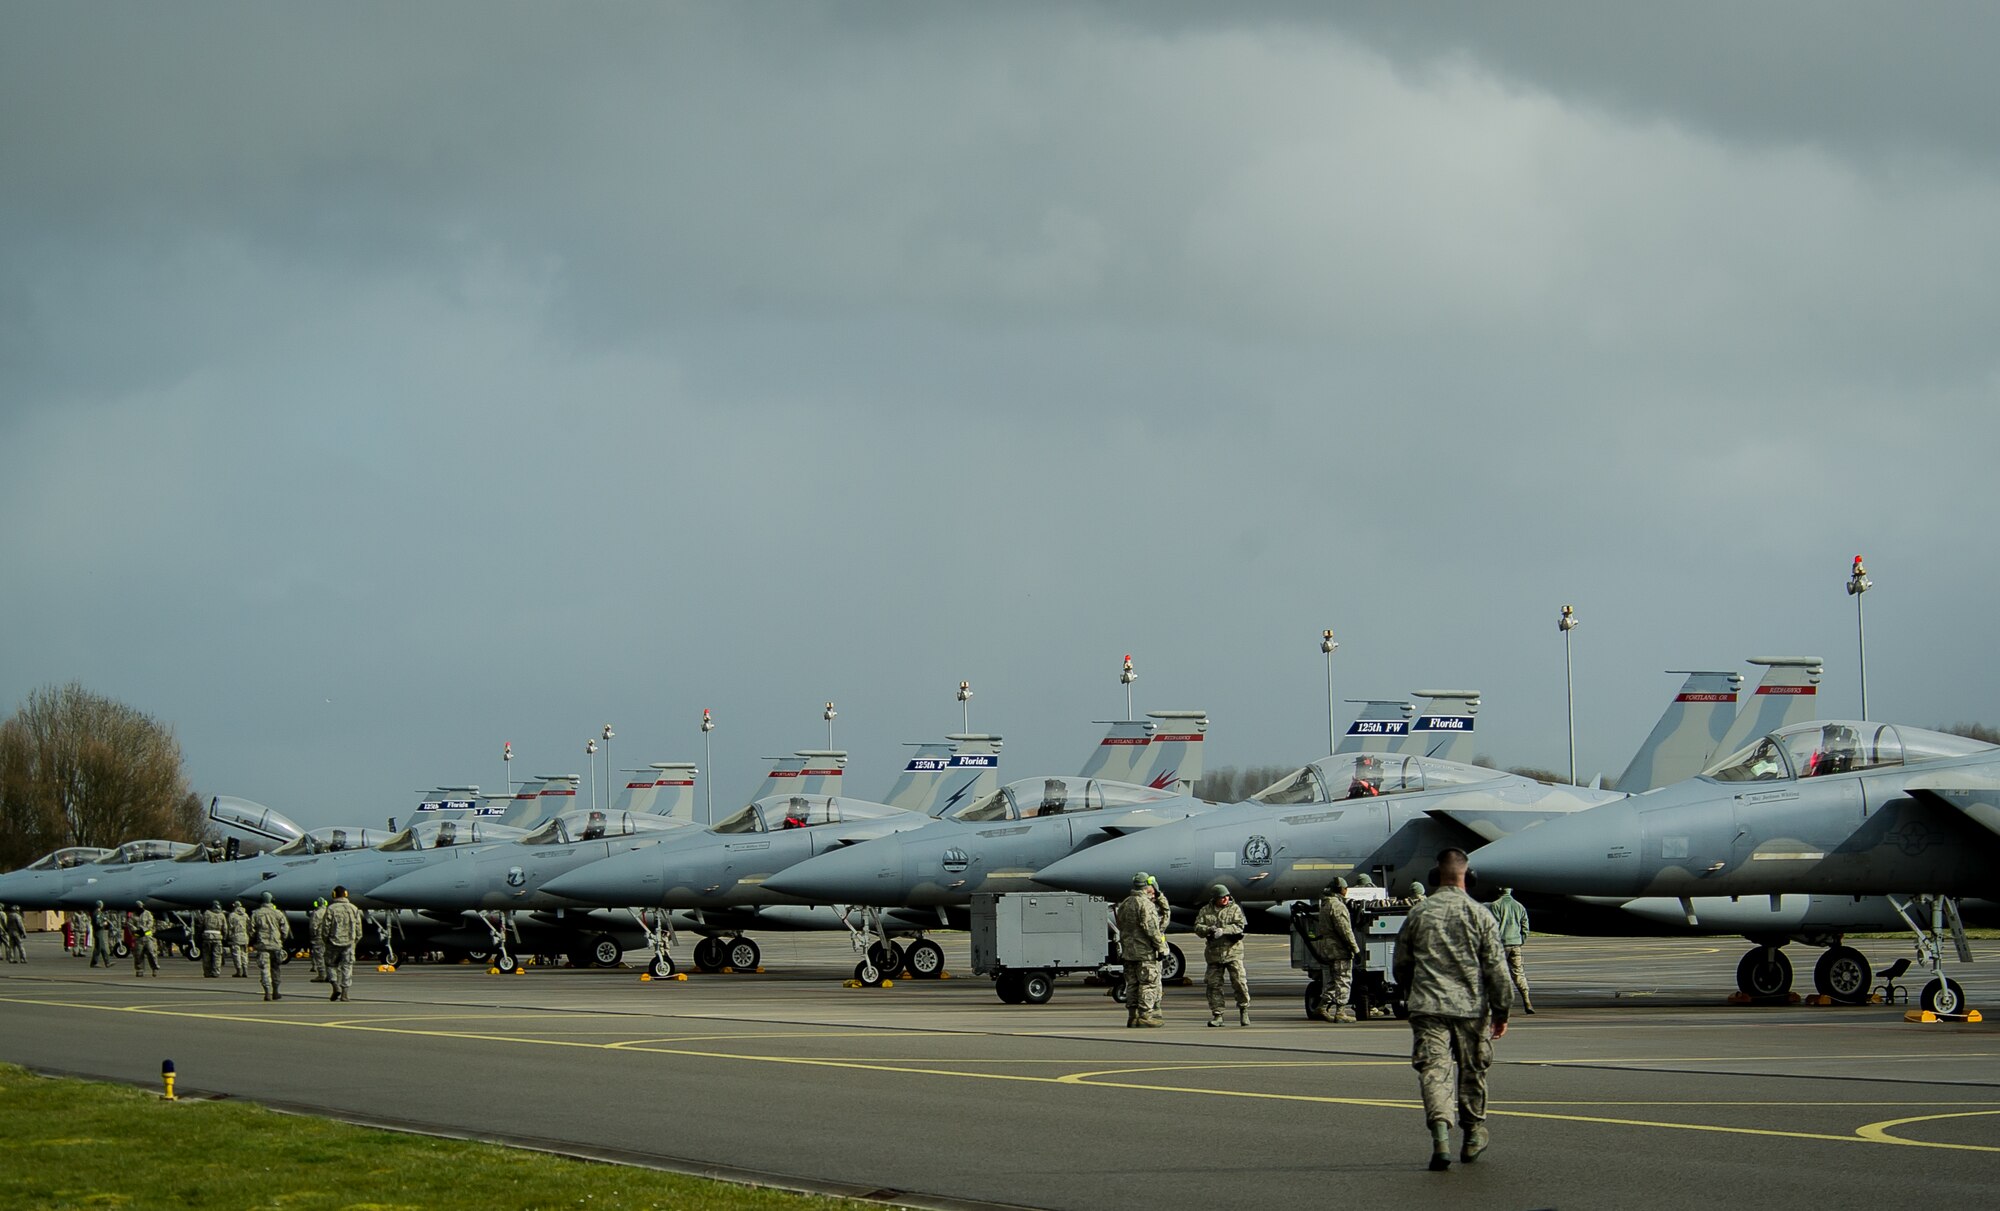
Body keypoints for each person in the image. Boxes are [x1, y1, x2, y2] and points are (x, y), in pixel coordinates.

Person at [1393, 848, 1512, 1171]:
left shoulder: (1419, 913)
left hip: (1428, 1007)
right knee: (1473, 1071)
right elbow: (1497, 970)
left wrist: (1410, 993)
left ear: (1436, 877)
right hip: (1471, 1009)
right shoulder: (1480, 915)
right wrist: (1501, 1013)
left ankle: (1441, 1138)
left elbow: (1401, 964)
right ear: (1467, 877)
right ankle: (1473, 1134)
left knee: (1434, 1072)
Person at [1114, 871, 1168, 1027]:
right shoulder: (1145, 904)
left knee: (1132, 984)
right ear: (1148, 886)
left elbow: (1121, 926)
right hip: (1145, 953)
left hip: (1129, 952)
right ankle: (1145, 1016)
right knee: (1147, 984)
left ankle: (1133, 1016)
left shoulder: (1125, 903)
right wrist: (1161, 947)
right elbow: (1152, 929)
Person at [1193, 884, 1250, 1026]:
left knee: (1239, 983)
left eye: (1226, 896)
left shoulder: (1234, 909)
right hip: (1214, 954)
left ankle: (1244, 1010)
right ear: (1215, 898)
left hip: (1232, 953)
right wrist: (1208, 929)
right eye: (1221, 897)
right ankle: (1217, 1014)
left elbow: (1239, 926)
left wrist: (1223, 930)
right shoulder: (1206, 911)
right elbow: (1197, 928)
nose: (1225, 899)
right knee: (1213, 985)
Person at [1313, 877, 1361, 1022]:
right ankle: (1341, 1012)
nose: (1347, 891)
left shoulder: (1325, 905)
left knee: (1333, 980)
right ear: (1340, 889)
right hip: (1339, 949)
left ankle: (1321, 1007)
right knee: (1344, 979)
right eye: (1345, 888)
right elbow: (1345, 930)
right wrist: (1355, 949)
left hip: (1327, 948)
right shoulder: (1338, 907)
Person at [1490, 887, 1534, 1014]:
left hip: (1501, 946)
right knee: (1518, 973)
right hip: (1515, 944)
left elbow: (1493, 926)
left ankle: (1500, 1005)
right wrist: (1521, 941)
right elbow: (1525, 927)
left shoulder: (1495, 906)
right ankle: (1526, 1000)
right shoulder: (1519, 906)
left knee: (1497, 975)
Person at [317, 885, 365, 1002]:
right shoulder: (354, 908)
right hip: (349, 943)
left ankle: (335, 985)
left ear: (334, 895)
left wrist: (326, 940)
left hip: (333, 942)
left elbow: (325, 928)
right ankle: (345, 993)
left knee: (330, 965)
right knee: (347, 967)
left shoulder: (331, 909)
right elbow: (359, 929)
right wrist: (355, 941)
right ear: (346, 894)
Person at [249, 892, 291, 1001]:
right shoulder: (278, 913)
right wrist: (281, 939)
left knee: (265, 969)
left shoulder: (256, 914)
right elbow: (285, 929)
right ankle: (276, 991)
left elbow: (251, 930)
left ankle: (267, 992)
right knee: (276, 968)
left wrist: (254, 940)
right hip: (276, 945)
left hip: (263, 945)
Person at [130, 902, 160, 976]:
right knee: (138, 954)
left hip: (148, 937)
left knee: (151, 952)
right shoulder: (133, 915)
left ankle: (154, 968)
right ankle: (139, 969)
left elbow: (150, 923)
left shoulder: (147, 913)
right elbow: (130, 924)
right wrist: (135, 930)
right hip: (138, 938)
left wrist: (143, 929)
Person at [199, 900, 226, 977]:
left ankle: (207, 972)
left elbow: (201, 925)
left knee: (206, 956)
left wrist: (200, 935)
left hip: (207, 937)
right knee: (217, 956)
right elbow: (225, 928)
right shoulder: (221, 915)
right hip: (218, 938)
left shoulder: (206, 913)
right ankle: (216, 972)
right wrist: (224, 937)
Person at [226, 900, 251, 977]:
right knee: (244, 954)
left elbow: (229, 927)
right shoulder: (246, 915)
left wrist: (229, 936)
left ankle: (239, 971)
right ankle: (245, 970)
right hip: (245, 936)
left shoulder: (232, 915)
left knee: (236, 954)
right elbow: (250, 926)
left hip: (236, 936)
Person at [307, 897, 329, 981]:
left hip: (319, 937)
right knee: (328, 957)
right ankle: (330, 975)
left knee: (319, 957)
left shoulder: (316, 913)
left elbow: (313, 927)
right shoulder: (329, 912)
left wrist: (313, 936)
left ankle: (322, 975)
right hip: (329, 938)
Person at [89, 901, 116, 968]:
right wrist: (104, 924)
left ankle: (107, 962)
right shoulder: (97, 913)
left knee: (102, 948)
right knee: (98, 948)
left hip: (99, 931)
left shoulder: (99, 913)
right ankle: (95, 963)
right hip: (98, 932)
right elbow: (98, 923)